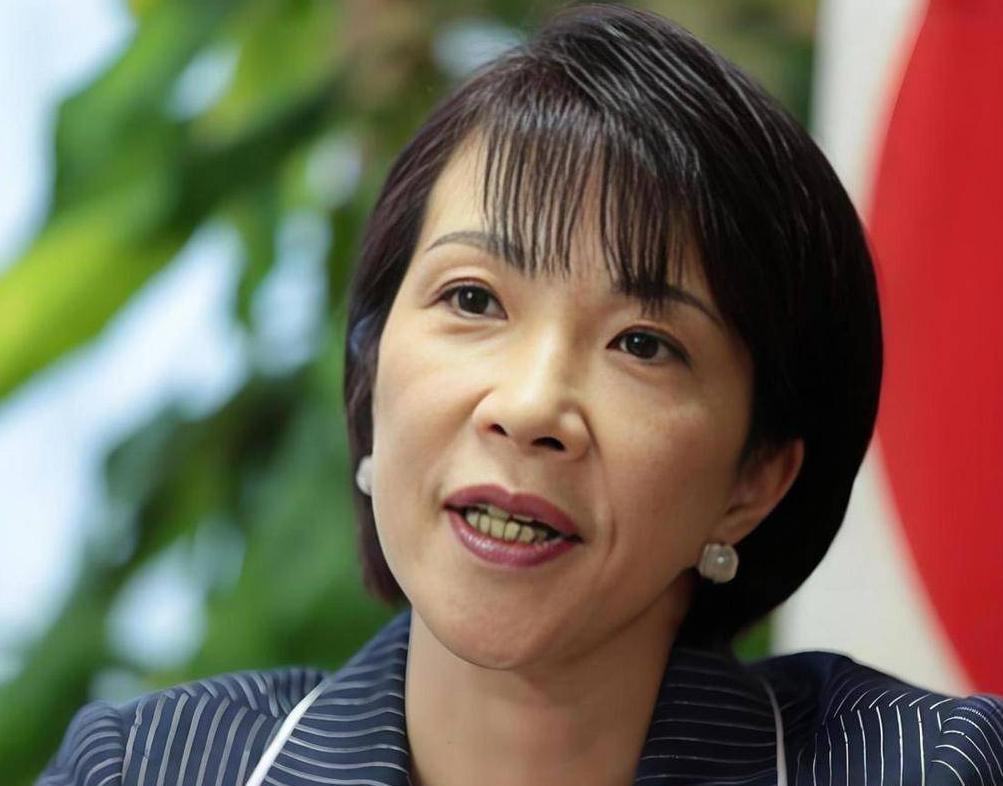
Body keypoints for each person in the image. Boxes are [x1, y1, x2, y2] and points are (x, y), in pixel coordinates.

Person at [38, 5, 1003, 786]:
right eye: (472, 299)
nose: (531, 406)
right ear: (370, 378)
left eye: (642, 345)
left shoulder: (935, 769)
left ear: (753, 480)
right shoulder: (147, 769)